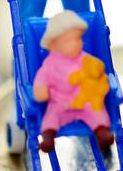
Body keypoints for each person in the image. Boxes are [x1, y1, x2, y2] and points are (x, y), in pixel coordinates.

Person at [32, 10, 114, 153]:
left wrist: (96, 72)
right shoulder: (50, 64)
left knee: (96, 111)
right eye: (69, 41)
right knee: (52, 116)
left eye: (78, 39)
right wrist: (40, 89)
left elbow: (97, 67)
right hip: (60, 102)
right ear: (52, 45)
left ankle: (102, 133)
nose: (76, 44)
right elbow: (42, 78)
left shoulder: (83, 58)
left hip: (83, 99)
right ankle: (48, 137)